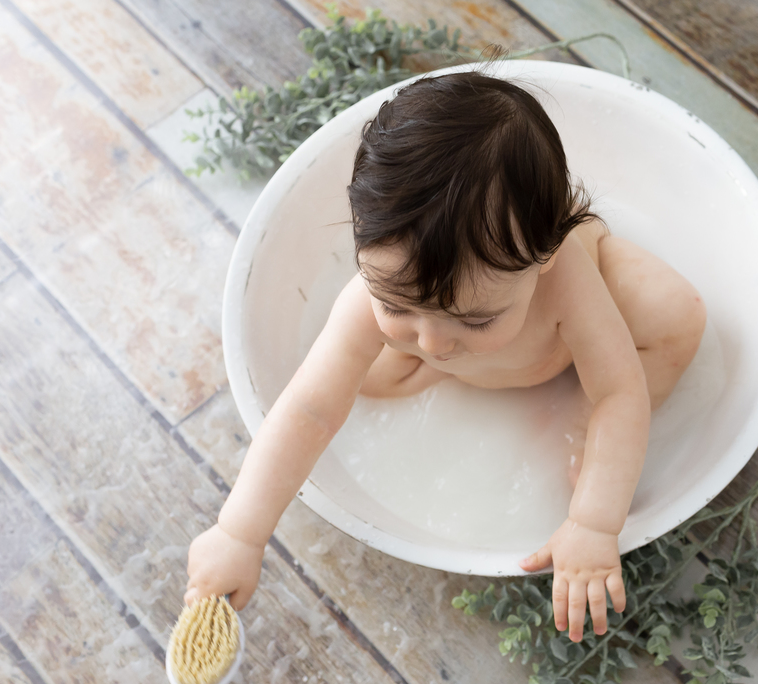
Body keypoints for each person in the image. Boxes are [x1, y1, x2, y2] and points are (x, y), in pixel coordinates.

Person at [184, 69, 707, 643]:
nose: (431, 340)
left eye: (475, 318)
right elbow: (309, 409)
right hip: (468, 369)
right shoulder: (375, 303)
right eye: (398, 305)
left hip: (564, 351)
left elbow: (618, 390)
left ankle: (585, 427)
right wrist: (239, 532)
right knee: (356, 375)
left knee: (677, 317)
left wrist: (591, 521)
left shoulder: (572, 282)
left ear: (546, 255)